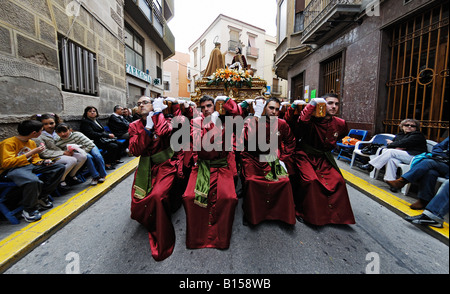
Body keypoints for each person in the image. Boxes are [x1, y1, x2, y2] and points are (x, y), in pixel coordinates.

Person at [284, 94, 356, 226]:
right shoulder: (312, 120)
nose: (334, 106)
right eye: (330, 103)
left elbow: (341, 134)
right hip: (304, 155)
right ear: (322, 105)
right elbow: (301, 121)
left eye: (336, 104)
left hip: (323, 157)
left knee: (338, 181)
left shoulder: (341, 123)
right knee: (310, 181)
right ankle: (302, 211)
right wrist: (311, 105)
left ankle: (333, 215)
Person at [129, 96, 183, 261]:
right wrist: (146, 129)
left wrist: (158, 114)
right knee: (139, 198)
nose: (141, 105)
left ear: (154, 105)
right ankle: (145, 215)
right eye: (138, 104)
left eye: (145, 102)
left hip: (165, 166)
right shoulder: (134, 126)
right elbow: (135, 150)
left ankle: (160, 226)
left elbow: (163, 132)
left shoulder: (165, 120)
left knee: (157, 196)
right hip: (146, 166)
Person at [182, 95, 239, 250]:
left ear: (215, 107)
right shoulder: (195, 123)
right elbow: (202, 148)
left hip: (222, 167)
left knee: (229, 197)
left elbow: (236, 114)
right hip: (202, 166)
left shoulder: (225, 121)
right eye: (203, 107)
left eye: (209, 106)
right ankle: (197, 237)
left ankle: (221, 237)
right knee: (190, 197)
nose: (206, 109)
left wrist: (228, 101)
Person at [240, 97, 296, 226]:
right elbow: (247, 139)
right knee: (252, 181)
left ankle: (280, 214)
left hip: (271, 158)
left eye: (277, 109)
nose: (274, 111)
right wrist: (256, 117)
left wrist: (283, 159)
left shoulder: (282, 124)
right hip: (252, 158)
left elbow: (290, 142)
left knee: (284, 181)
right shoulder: (251, 120)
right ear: (265, 108)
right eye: (271, 108)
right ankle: (250, 214)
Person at [0, 120, 65, 222]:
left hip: (29, 166)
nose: (41, 133)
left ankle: (41, 197)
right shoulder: (8, 143)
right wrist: (31, 153)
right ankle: (29, 210)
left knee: (59, 167)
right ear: (34, 133)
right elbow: (6, 163)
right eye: (41, 130)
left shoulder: (31, 142)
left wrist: (44, 162)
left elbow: (35, 160)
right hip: (12, 169)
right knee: (33, 181)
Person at [386, 136, 449, 209]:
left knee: (428, 162)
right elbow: (438, 147)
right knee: (430, 172)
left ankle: (402, 181)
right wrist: (443, 155)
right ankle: (423, 200)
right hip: (444, 163)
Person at [359, 119, 427, 183]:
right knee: (391, 160)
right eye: (407, 125)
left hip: (414, 157)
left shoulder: (417, 135)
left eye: (412, 126)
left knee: (390, 152)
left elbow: (402, 143)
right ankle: (391, 182)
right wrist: (395, 145)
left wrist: (394, 144)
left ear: (416, 128)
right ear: (402, 126)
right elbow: (390, 145)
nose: (409, 127)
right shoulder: (400, 135)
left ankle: (371, 165)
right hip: (403, 156)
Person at [33, 113, 86, 190]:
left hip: (63, 154)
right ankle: (60, 180)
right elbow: (43, 152)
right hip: (50, 157)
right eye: (45, 124)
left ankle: (71, 176)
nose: (49, 126)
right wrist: (63, 153)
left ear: (55, 122)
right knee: (72, 160)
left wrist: (70, 149)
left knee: (82, 156)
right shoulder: (39, 136)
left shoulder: (59, 131)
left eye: (51, 123)